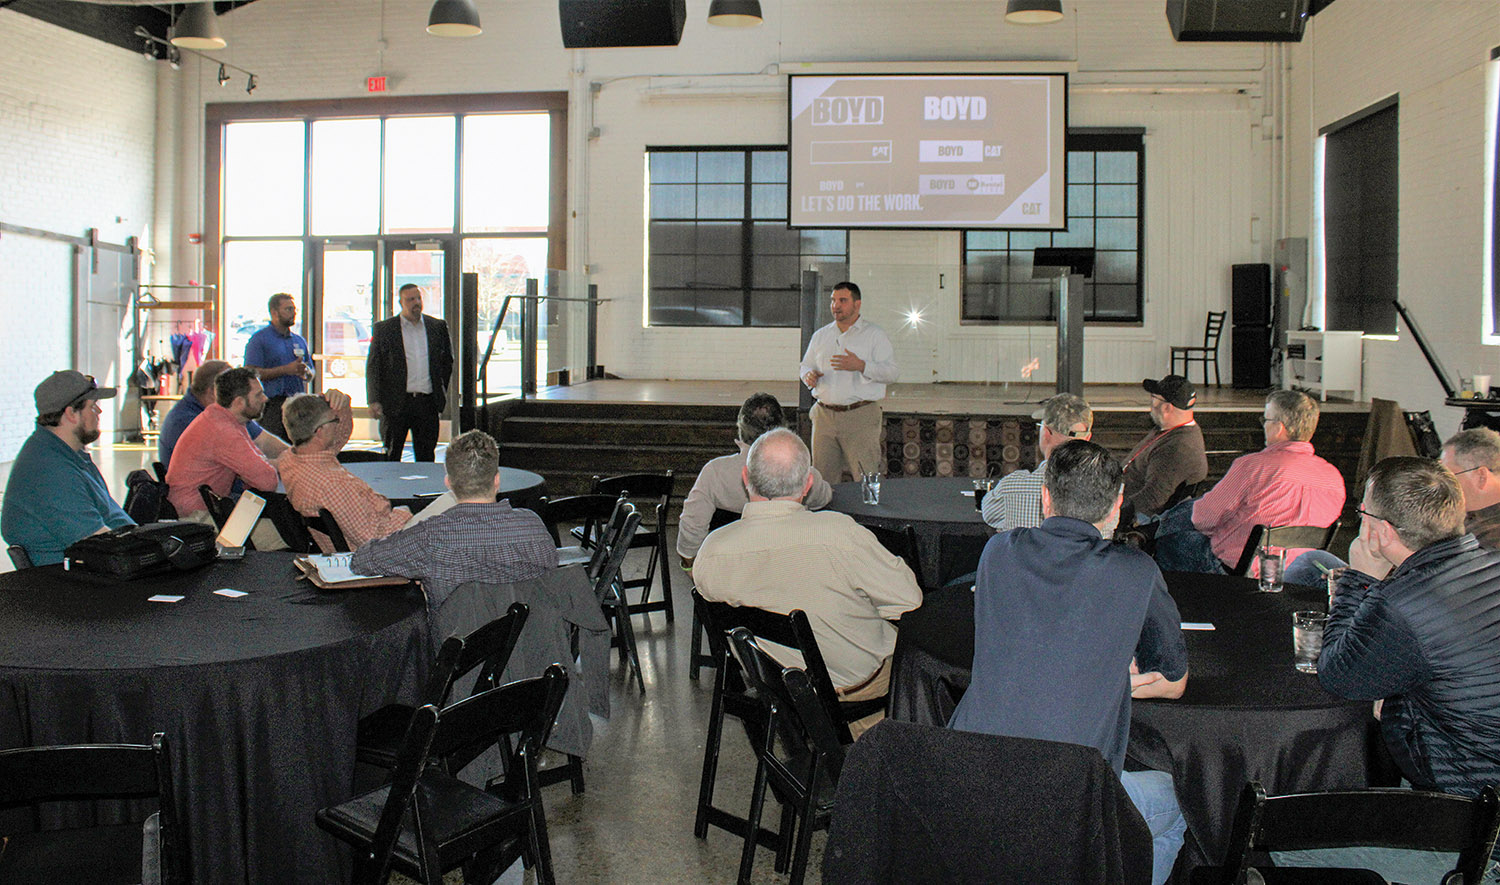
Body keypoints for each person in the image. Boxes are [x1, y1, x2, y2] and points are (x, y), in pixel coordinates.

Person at [949, 439, 1189, 885]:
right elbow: (1175, 680)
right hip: (1066, 799)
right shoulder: (1135, 572)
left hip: (969, 779)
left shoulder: (998, 553)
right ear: (1117, 505)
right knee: (1181, 803)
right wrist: (1104, 676)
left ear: (1045, 497)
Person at [1275, 457, 1500, 882]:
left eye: (1362, 513)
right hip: (1480, 786)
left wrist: (1359, 577)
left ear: (1380, 531)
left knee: (1284, 844)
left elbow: (1340, 676)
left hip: (1478, 833)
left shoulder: (1403, 602)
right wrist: (1401, 700)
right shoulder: (1489, 565)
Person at [691, 428, 922, 737]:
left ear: (746, 478)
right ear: (808, 483)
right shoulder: (841, 535)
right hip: (856, 695)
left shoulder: (712, 552)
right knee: (928, 664)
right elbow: (910, 600)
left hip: (779, 693)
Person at [351, 430, 555, 610]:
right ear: (497, 480)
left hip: (456, 645)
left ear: (448, 483)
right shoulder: (533, 527)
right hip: (531, 644)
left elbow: (362, 561)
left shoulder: (430, 536)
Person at [1153, 389, 1345, 576]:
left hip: (1239, 570)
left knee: (1167, 541)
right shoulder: (1334, 477)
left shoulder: (1254, 466)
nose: (1263, 426)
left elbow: (1205, 519)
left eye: (1265, 420)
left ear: (1279, 428)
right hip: (1296, 572)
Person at [677, 392, 833, 568]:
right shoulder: (801, 471)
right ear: (782, 428)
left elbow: (691, 524)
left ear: (741, 428)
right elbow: (824, 498)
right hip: (789, 565)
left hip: (732, 569)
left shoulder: (715, 472)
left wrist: (689, 564)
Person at [1, 371, 134, 566]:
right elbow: (102, 546)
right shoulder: (49, 471)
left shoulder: (66, 455)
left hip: (94, 570)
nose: (99, 412)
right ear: (71, 413)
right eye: (92, 406)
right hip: (75, 581)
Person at [164, 366, 286, 550]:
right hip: (198, 519)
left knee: (284, 522)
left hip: (203, 509)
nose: (265, 399)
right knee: (288, 533)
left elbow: (257, 460)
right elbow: (266, 481)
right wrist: (284, 464)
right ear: (239, 402)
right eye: (258, 394)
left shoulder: (221, 418)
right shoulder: (224, 431)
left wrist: (276, 463)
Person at [277, 389, 412, 553]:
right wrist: (404, 514)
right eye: (335, 420)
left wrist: (341, 404)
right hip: (378, 550)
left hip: (343, 542)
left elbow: (339, 435)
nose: (338, 423)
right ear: (320, 432)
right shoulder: (334, 484)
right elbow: (373, 540)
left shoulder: (291, 460)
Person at [798, 281, 899, 483]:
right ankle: (826, 515)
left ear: (857, 304)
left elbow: (892, 373)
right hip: (824, 416)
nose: (836, 305)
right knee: (822, 480)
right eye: (833, 300)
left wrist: (861, 365)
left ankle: (868, 514)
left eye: (843, 300)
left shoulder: (874, 335)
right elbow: (805, 365)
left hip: (860, 416)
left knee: (865, 478)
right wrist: (809, 375)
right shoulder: (821, 335)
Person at [366, 283, 454, 462]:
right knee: (392, 455)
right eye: (410, 299)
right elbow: (374, 366)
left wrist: (440, 388)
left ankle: (424, 489)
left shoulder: (436, 327)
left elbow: (447, 362)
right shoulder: (385, 329)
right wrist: (374, 399)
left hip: (427, 402)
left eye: (418, 298)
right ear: (401, 302)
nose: (416, 303)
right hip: (396, 404)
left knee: (426, 456)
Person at [981, 393, 1092, 531]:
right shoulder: (1107, 494)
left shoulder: (1012, 486)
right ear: (1087, 438)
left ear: (1045, 433)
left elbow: (989, 514)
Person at [157, 359, 286, 470]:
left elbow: (263, 441)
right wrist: (287, 464)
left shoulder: (227, 411)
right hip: (206, 494)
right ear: (213, 392)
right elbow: (248, 466)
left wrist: (297, 455)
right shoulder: (184, 421)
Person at [1121, 375, 1207, 523]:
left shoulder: (1177, 448)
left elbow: (1152, 498)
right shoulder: (1168, 431)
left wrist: (1109, 510)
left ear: (1167, 407)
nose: (1151, 405)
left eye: (1154, 399)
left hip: (1133, 517)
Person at [243, 293, 312, 440]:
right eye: (288, 309)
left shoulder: (299, 340)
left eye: (294, 309)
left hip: (297, 405)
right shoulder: (259, 340)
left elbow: (311, 371)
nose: (293, 313)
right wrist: (285, 370)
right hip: (271, 406)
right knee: (274, 447)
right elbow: (250, 373)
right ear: (274, 312)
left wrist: (306, 372)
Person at [1440, 427, 1500, 549]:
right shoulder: (1462, 517)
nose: (1440, 483)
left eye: (1447, 476)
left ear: (1481, 476)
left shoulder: (1492, 538)